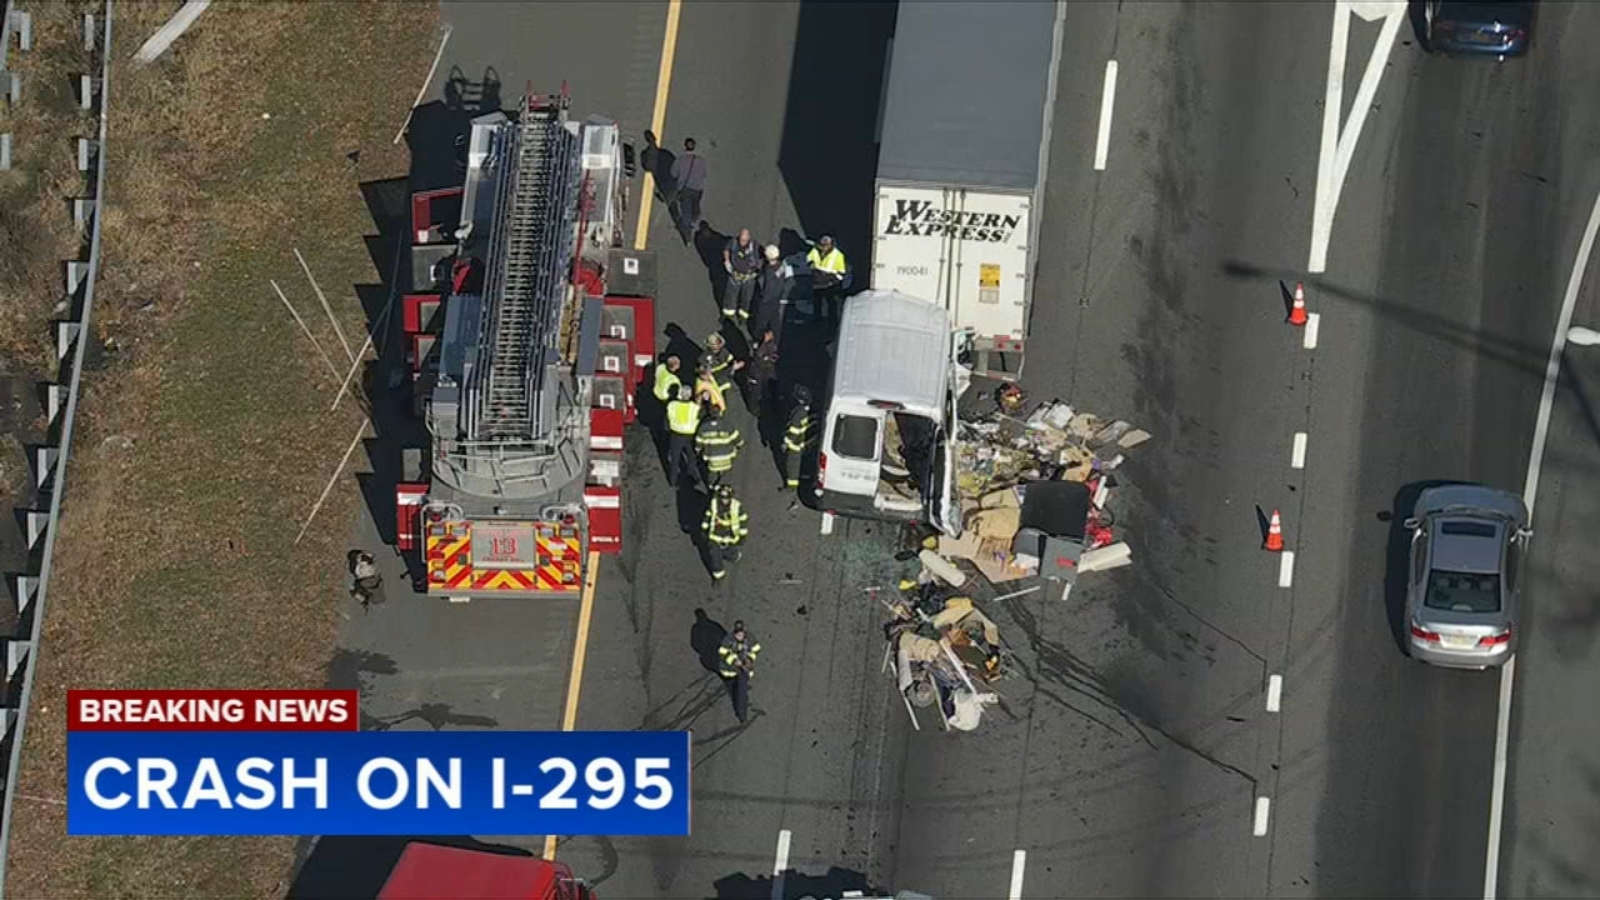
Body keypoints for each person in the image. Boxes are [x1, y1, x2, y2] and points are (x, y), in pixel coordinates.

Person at [703, 484, 749, 581]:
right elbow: (708, 515)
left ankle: (733, 555)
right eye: (722, 498)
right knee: (714, 556)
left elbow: (743, 520)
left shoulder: (737, 506)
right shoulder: (714, 503)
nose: (725, 500)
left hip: (730, 536)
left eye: (727, 498)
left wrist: (742, 536)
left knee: (731, 554)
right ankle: (719, 576)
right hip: (715, 536)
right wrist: (704, 528)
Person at [718, 620, 761, 723]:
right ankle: (740, 710)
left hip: (743, 671)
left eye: (741, 633)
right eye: (737, 633)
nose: (739, 636)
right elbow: (722, 653)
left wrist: (750, 659)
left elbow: (756, 649)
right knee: (733, 690)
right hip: (729, 671)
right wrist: (734, 661)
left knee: (742, 694)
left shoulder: (750, 638)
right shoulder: (728, 640)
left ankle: (742, 714)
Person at [669, 137, 708, 244]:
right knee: (696, 207)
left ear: (685, 146)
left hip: (685, 190)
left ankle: (687, 236)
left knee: (686, 212)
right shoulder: (701, 161)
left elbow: (673, 174)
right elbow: (704, 175)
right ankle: (694, 220)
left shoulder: (680, 160)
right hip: (698, 189)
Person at [665, 384, 704, 490]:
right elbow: (699, 417)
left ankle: (673, 481)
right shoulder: (694, 407)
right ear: (690, 395)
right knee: (691, 457)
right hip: (690, 436)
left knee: (675, 458)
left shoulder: (672, 405)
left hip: (676, 435)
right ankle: (694, 476)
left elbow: (667, 421)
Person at [695, 404, 744, 487]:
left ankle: (712, 485)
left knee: (712, 472)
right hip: (727, 455)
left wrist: (698, 450)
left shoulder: (703, 427)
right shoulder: (727, 425)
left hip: (711, 456)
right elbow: (736, 439)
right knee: (726, 471)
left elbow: (698, 443)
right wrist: (740, 444)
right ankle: (724, 485)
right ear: (720, 412)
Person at [783, 383, 819, 492]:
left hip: (795, 445)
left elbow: (794, 430)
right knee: (794, 465)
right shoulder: (805, 411)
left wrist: (786, 442)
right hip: (800, 442)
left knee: (792, 466)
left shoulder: (799, 412)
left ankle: (791, 487)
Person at [806, 235, 850, 325]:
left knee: (831, 304)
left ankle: (832, 322)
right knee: (817, 303)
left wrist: (833, 282)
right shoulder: (815, 250)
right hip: (817, 282)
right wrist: (811, 264)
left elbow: (841, 273)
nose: (824, 247)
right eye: (822, 245)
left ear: (831, 245)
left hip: (830, 284)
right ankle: (817, 321)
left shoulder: (837, 255)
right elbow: (809, 258)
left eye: (826, 245)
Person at [722, 229, 763, 322]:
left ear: (749, 238)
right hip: (735, 275)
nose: (742, 242)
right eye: (741, 239)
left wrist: (758, 270)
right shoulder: (733, 242)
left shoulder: (755, 246)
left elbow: (764, 256)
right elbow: (726, 249)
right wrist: (727, 261)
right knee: (730, 297)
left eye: (744, 240)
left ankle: (743, 318)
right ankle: (728, 316)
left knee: (746, 298)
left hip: (749, 277)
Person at [754, 244, 794, 340]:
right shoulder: (782, 265)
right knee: (775, 320)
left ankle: (759, 339)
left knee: (761, 322)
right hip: (777, 298)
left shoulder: (768, 271)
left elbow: (765, 285)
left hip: (766, 301)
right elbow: (788, 279)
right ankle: (776, 340)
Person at [744, 327, 780, 419]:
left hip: (766, 371)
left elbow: (768, 357)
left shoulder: (772, 345)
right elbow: (758, 358)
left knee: (768, 390)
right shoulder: (761, 345)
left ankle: (769, 408)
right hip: (758, 372)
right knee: (756, 392)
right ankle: (756, 410)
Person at [701, 331, 743, 399]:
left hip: (726, 377)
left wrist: (735, 364)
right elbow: (706, 374)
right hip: (715, 380)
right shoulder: (705, 358)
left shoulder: (724, 351)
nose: (718, 347)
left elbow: (730, 359)